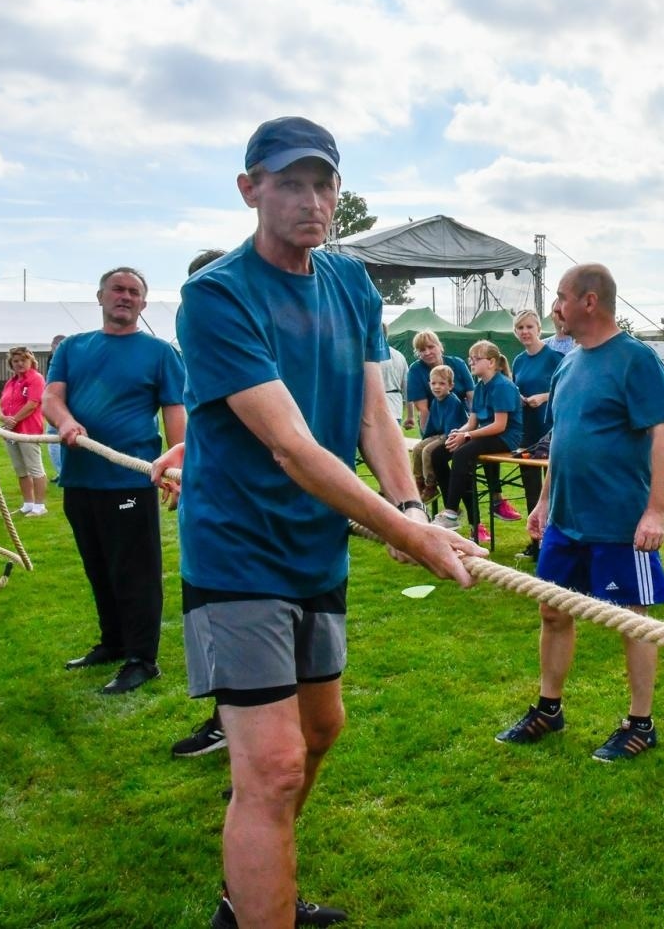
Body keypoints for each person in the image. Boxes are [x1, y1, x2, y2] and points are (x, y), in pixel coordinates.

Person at [152, 115, 480, 928]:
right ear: (250, 189)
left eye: (323, 183)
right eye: (290, 182)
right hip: (238, 553)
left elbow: (374, 414)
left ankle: (253, 887)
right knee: (272, 769)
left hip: (314, 551)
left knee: (319, 734)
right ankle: (264, 908)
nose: (311, 199)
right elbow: (294, 447)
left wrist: (409, 506)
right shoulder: (216, 295)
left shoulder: (350, 284)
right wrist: (411, 537)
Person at [497, 264, 664, 762]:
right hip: (566, 521)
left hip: (621, 522)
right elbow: (562, 442)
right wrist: (542, 502)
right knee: (552, 610)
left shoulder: (635, 360)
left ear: (590, 301)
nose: (555, 307)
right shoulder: (568, 363)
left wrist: (656, 513)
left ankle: (641, 723)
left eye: (560, 298)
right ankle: (548, 709)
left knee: (632, 620)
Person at [44, 267, 186, 695]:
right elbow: (51, 396)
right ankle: (113, 642)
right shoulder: (73, 347)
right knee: (99, 568)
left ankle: (142, 659)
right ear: (101, 297)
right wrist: (66, 422)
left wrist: (178, 470)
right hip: (81, 479)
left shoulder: (160, 353)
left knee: (135, 574)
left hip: (129, 481)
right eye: (117, 290)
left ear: (143, 303)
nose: (125, 297)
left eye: (133, 292)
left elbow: (174, 411)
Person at [170, 247, 231, 759]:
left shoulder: (248, 338)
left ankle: (242, 735)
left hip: (240, 524)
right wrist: (189, 453)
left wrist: (405, 516)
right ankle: (231, 724)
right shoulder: (200, 344)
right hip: (208, 514)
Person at [430, 339, 520, 545]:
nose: (470, 362)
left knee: (462, 453)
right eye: (470, 358)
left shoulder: (503, 385)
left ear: (490, 362)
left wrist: (468, 436)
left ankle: (451, 512)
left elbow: (500, 426)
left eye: (475, 359)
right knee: (438, 454)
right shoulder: (480, 386)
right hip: (486, 434)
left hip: (505, 438)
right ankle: (452, 507)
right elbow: (472, 422)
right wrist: (458, 433)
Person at [510, 309, 564, 558]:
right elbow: (513, 389)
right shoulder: (518, 360)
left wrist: (544, 397)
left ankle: (558, 545)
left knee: (556, 490)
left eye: (529, 327)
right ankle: (536, 544)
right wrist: (518, 399)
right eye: (520, 328)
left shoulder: (556, 358)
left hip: (553, 431)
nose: (525, 332)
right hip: (528, 432)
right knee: (532, 491)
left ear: (539, 329)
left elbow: (567, 392)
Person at [0, 346, 49, 516]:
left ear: (30, 361)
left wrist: (13, 420)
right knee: (20, 469)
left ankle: (40, 506)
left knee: (35, 468)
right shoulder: (11, 382)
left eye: (23, 360)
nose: (19, 364)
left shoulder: (36, 379)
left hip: (28, 430)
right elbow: (1, 404)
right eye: (15, 361)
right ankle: (28, 502)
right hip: (11, 431)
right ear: (11, 364)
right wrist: (3, 417)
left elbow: (33, 404)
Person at [412, 364, 469, 504]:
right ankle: (419, 483)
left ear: (450, 385)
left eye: (442, 383)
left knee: (428, 451)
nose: (437, 387)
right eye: (433, 383)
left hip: (453, 435)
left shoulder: (453, 401)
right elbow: (432, 425)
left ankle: (431, 486)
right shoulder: (436, 402)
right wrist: (426, 438)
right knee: (417, 448)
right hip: (441, 433)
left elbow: (452, 428)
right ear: (429, 384)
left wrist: (437, 439)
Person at [404, 331, 472, 430]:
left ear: (440, 346)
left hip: (462, 418)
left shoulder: (457, 363)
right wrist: (427, 435)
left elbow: (472, 396)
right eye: (422, 350)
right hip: (434, 421)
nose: (427, 352)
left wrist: (473, 423)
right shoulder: (416, 370)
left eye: (431, 347)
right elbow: (423, 410)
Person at [45, 334, 66, 483]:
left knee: (56, 438)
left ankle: (63, 472)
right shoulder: (52, 360)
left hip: (63, 405)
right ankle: (62, 472)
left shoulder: (64, 360)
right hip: (56, 404)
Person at [379, 323, 408, 425]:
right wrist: (410, 415)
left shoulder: (369, 356)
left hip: (378, 406)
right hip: (396, 407)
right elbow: (407, 387)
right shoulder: (399, 356)